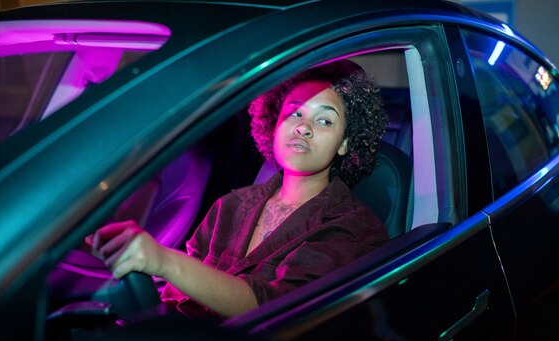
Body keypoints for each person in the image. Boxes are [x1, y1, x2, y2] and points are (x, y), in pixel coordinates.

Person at [86, 59, 389, 319]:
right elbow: (180, 293)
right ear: (276, 121)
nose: (303, 127)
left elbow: (277, 308)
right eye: (295, 113)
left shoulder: (351, 228)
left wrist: (163, 260)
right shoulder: (229, 206)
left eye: (324, 120)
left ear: (346, 142)